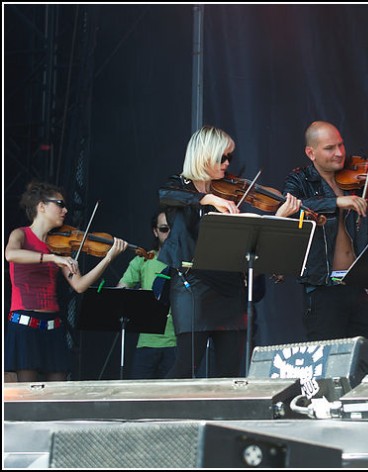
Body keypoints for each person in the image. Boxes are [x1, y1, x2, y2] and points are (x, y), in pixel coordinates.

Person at [158, 125, 301, 379]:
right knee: (186, 365)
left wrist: (279, 216)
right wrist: (208, 199)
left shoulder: (225, 188)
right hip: (192, 284)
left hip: (229, 286)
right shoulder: (179, 186)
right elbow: (167, 195)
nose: (227, 164)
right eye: (221, 157)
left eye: (229, 158)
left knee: (230, 371)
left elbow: (247, 237)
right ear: (204, 155)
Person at [281, 121, 368, 348]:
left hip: (361, 284)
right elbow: (294, 206)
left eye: (341, 145)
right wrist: (337, 201)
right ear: (311, 153)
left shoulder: (356, 182)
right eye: (329, 148)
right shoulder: (299, 180)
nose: (339, 153)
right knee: (326, 361)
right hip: (323, 288)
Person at [4, 180, 128, 383]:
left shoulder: (59, 245)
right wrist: (52, 258)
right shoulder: (21, 235)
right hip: (25, 324)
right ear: (42, 206)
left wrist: (108, 258)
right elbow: (10, 254)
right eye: (59, 204)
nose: (65, 210)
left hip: (53, 325)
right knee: (26, 393)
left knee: (58, 390)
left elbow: (79, 285)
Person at [116, 211, 177, 379]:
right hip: (147, 343)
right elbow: (120, 290)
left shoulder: (187, 261)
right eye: (164, 229)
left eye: (173, 228)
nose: (169, 233)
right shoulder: (143, 260)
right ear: (155, 232)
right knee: (140, 397)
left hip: (177, 343)